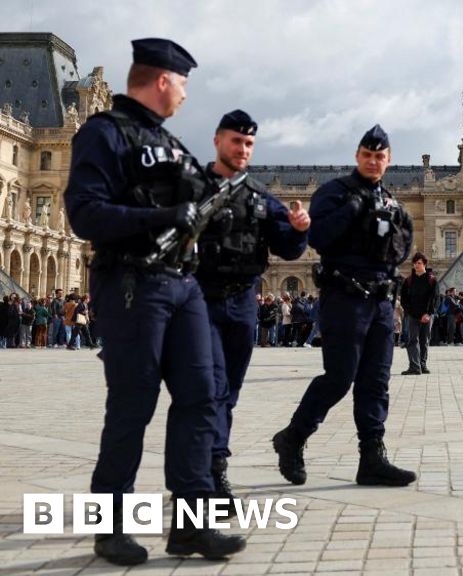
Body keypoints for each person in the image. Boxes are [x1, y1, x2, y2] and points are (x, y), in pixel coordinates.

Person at [63, 38, 245, 564]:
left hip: (183, 286)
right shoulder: (104, 133)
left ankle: (191, 526)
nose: (187, 95)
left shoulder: (169, 141)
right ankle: (110, 527)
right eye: (183, 84)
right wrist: (160, 219)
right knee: (132, 405)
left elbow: (198, 201)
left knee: (201, 398)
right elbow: (85, 215)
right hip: (131, 283)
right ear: (163, 80)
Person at [273, 125, 416, 488]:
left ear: (388, 160)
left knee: (376, 382)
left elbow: (403, 248)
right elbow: (317, 237)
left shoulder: (393, 204)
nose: (373, 161)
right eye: (367, 155)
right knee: (339, 378)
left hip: (381, 302)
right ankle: (294, 436)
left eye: (379, 156)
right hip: (345, 297)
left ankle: (372, 456)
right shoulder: (334, 193)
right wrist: (353, 210)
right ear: (357, 156)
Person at [195, 110, 309, 503]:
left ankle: (214, 468)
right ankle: (207, 474)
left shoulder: (260, 198)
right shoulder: (192, 188)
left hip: (243, 300)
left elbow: (288, 248)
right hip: (201, 299)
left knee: (228, 391)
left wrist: (298, 230)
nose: (242, 149)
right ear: (217, 141)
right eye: (235, 141)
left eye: (248, 143)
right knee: (209, 389)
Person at [400, 252, 437, 374]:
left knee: (424, 341)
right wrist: (409, 312)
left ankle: (422, 365)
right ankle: (415, 367)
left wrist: (428, 313)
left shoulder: (432, 280)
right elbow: (404, 299)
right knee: (412, 340)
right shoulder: (408, 281)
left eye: (419, 263)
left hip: (427, 315)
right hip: (413, 315)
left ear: (424, 264)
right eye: (415, 263)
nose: (416, 265)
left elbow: (435, 298)